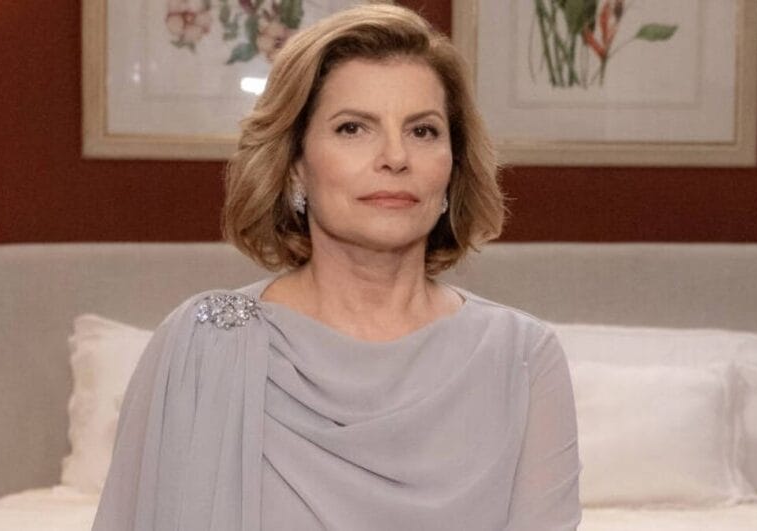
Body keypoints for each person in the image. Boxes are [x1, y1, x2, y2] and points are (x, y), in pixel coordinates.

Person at [92, 4, 580, 530]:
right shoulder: (204, 345)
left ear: (453, 166)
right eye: (353, 128)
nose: (395, 156)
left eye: (423, 131)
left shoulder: (522, 358)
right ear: (296, 165)